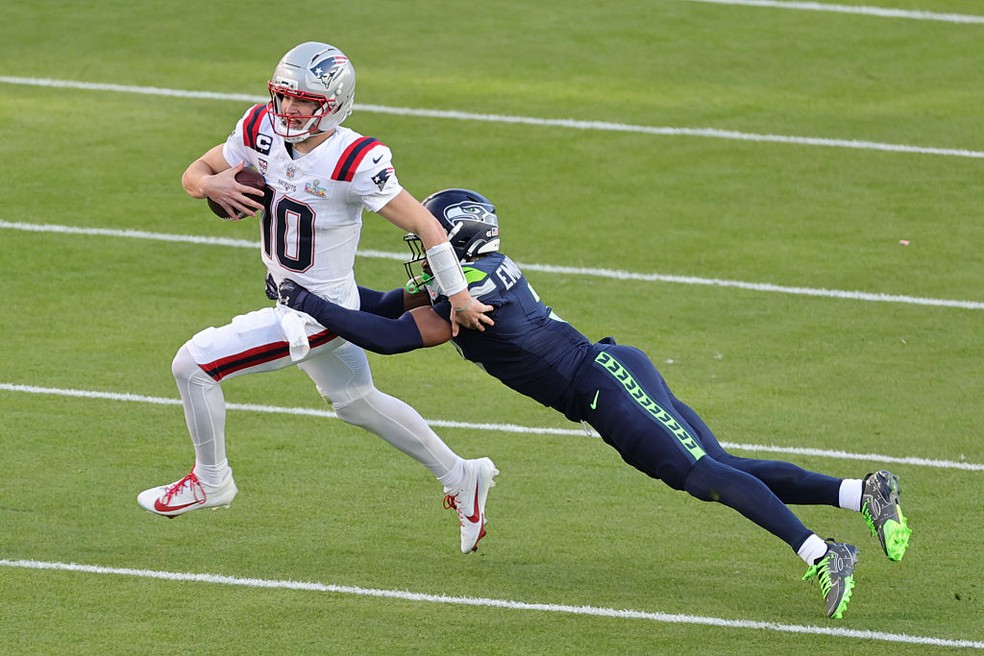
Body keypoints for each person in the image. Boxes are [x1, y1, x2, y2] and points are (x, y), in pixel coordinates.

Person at [273, 188, 912, 619]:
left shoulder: (472, 291)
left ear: (458, 238)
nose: (423, 247)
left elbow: (388, 337)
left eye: (433, 236)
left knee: (702, 475)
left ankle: (822, 553)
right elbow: (385, 305)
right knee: (719, 466)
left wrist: (306, 303)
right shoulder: (468, 277)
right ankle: (863, 493)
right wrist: (309, 289)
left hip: (603, 383)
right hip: (604, 380)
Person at [137, 44, 500, 556]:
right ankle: (462, 475)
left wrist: (459, 298)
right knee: (357, 403)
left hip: (314, 315)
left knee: (193, 365)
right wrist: (209, 184)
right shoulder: (259, 128)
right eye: (284, 96)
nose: (289, 109)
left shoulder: (354, 159)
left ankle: (211, 480)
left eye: (304, 101)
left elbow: (427, 226)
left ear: (334, 104)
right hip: (301, 302)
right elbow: (196, 170)